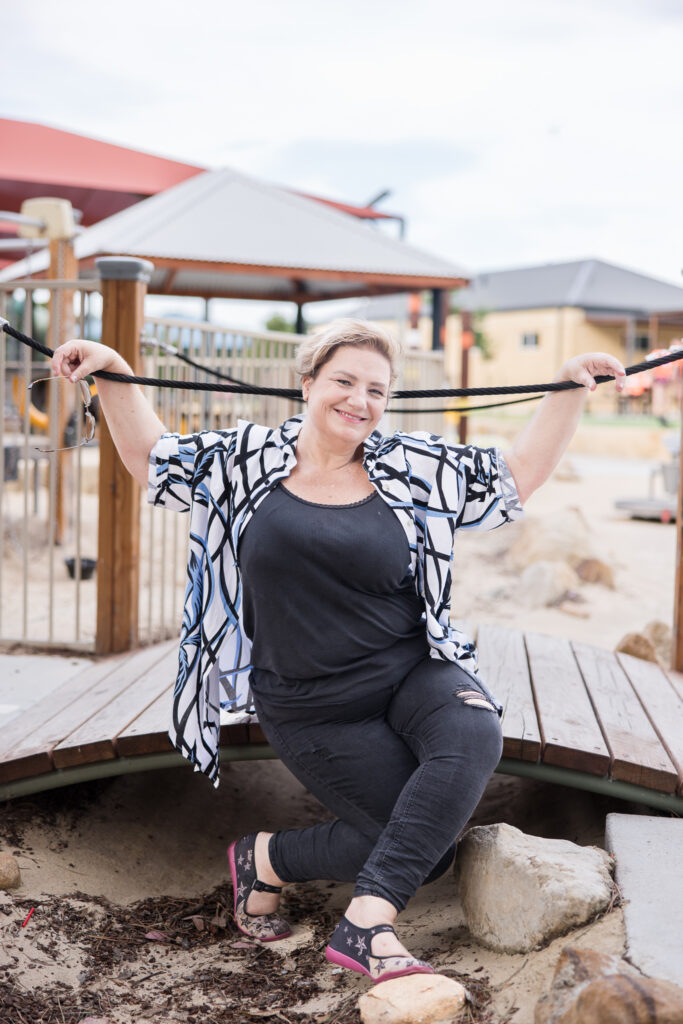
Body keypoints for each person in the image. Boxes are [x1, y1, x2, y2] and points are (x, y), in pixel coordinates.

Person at [51, 319, 625, 984]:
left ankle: (367, 924)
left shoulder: (407, 468)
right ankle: (266, 858)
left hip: (413, 670)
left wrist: (566, 388)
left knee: (474, 731)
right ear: (307, 384)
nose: (360, 400)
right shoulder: (245, 462)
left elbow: (515, 477)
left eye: (376, 390)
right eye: (344, 382)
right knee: (425, 851)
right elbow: (153, 457)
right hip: (313, 705)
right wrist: (114, 366)